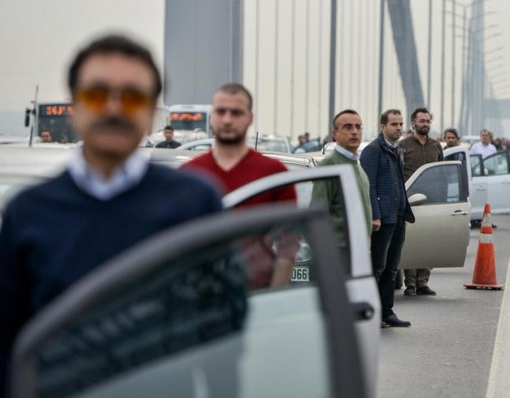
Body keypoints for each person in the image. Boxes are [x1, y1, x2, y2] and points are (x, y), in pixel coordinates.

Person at [0, 34, 224, 395]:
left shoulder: (196, 203)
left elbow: (223, 332)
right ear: (75, 105)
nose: (114, 109)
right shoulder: (27, 213)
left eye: (133, 96)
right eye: (97, 93)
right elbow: (7, 343)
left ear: (152, 112)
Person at [182, 83, 298, 287]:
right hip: (199, 297)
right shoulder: (188, 173)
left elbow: (288, 244)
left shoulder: (274, 172)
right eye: (221, 111)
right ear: (211, 116)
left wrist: (273, 299)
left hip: (255, 293)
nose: (227, 120)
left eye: (236, 113)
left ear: (250, 118)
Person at [360, 109, 415, 328]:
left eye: (401, 124)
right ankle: (373, 313)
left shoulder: (397, 150)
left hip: (398, 216)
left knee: (392, 268)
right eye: (394, 124)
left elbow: (399, 184)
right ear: (383, 127)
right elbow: (369, 186)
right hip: (382, 219)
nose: (399, 128)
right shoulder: (373, 151)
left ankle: (387, 312)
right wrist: (375, 215)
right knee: (377, 268)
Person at [310, 109, 372, 247]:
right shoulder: (329, 166)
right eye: (348, 127)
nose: (355, 132)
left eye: (358, 127)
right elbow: (317, 213)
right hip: (339, 250)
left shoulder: (358, 167)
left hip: (359, 250)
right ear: (335, 134)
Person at [399, 108, 443, 297]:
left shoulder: (436, 146)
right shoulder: (403, 145)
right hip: (411, 201)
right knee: (411, 243)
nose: (425, 124)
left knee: (431, 241)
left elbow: (441, 172)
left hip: (433, 200)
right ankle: (410, 284)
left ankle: (423, 282)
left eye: (428, 121)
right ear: (413, 123)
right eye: (421, 121)